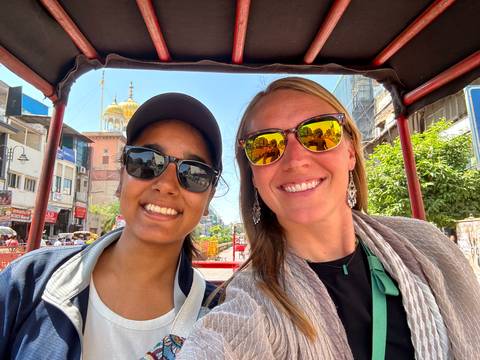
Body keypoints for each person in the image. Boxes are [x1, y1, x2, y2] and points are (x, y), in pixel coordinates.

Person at [179, 77, 480, 359]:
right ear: (254, 176)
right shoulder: (250, 303)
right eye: (266, 146)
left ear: (350, 151)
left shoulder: (428, 248)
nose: (296, 160)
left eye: (319, 134)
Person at [0, 93, 223, 359]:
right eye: (146, 161)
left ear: (209, 197)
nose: (166, 184)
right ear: (120, 179)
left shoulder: (219, 318)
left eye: (194, 173)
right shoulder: (30, 281)